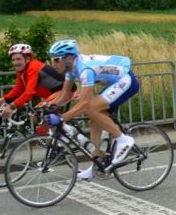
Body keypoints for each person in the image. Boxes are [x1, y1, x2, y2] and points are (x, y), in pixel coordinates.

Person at [46, 39, 140, 180]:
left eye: (56, 59)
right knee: (94, 120)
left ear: (69, 58)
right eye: (52, 59)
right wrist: (49, 106)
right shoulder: (70, 70)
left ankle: (123, 140)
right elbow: (64, 95)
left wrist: (62, 118)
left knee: (91, 108)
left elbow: (85, 102)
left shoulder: (85, 69)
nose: (53, 63)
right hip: (114, 83)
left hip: (126, 81)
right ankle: (96, 164)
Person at [0, 43, 64, 120]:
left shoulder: (33, 67)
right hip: (52, 95)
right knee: (36, 117)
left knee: (40, 117)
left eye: (18, 59)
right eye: (13, 60)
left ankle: (65, 130)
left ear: (27, 59)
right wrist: (0, 100)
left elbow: (29, 92)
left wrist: (12, 106)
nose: (15, 63)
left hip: (64, 93)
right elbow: (18, 89)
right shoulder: (21, 70)